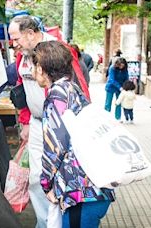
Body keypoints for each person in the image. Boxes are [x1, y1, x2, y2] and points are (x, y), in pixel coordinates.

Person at [32, 41, 115, 228]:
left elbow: (55, 146)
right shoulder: (73, 88)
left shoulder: (56, 96)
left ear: (41, 67)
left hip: (79, 192)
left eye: (34, 65)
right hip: (96, 187)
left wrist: (45, 183)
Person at [8, 15, 59, 228]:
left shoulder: (57, 51)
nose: (14, 44)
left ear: (30, 34)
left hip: (57, 124)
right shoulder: (23, 55)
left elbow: (78, 86)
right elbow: (21, 88)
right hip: (37, 123)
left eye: (16, 38)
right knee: (36, 178)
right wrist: (26, 121)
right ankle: (44, 222)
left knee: (57, 177)